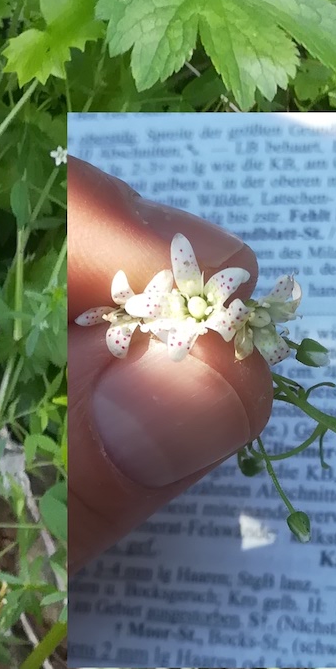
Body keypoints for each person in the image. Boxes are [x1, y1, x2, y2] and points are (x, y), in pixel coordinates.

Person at [68, 156, 275, 570]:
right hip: (176, 317)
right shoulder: (158, 308)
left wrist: (212, 314)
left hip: (184, 315)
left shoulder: (199, 302)